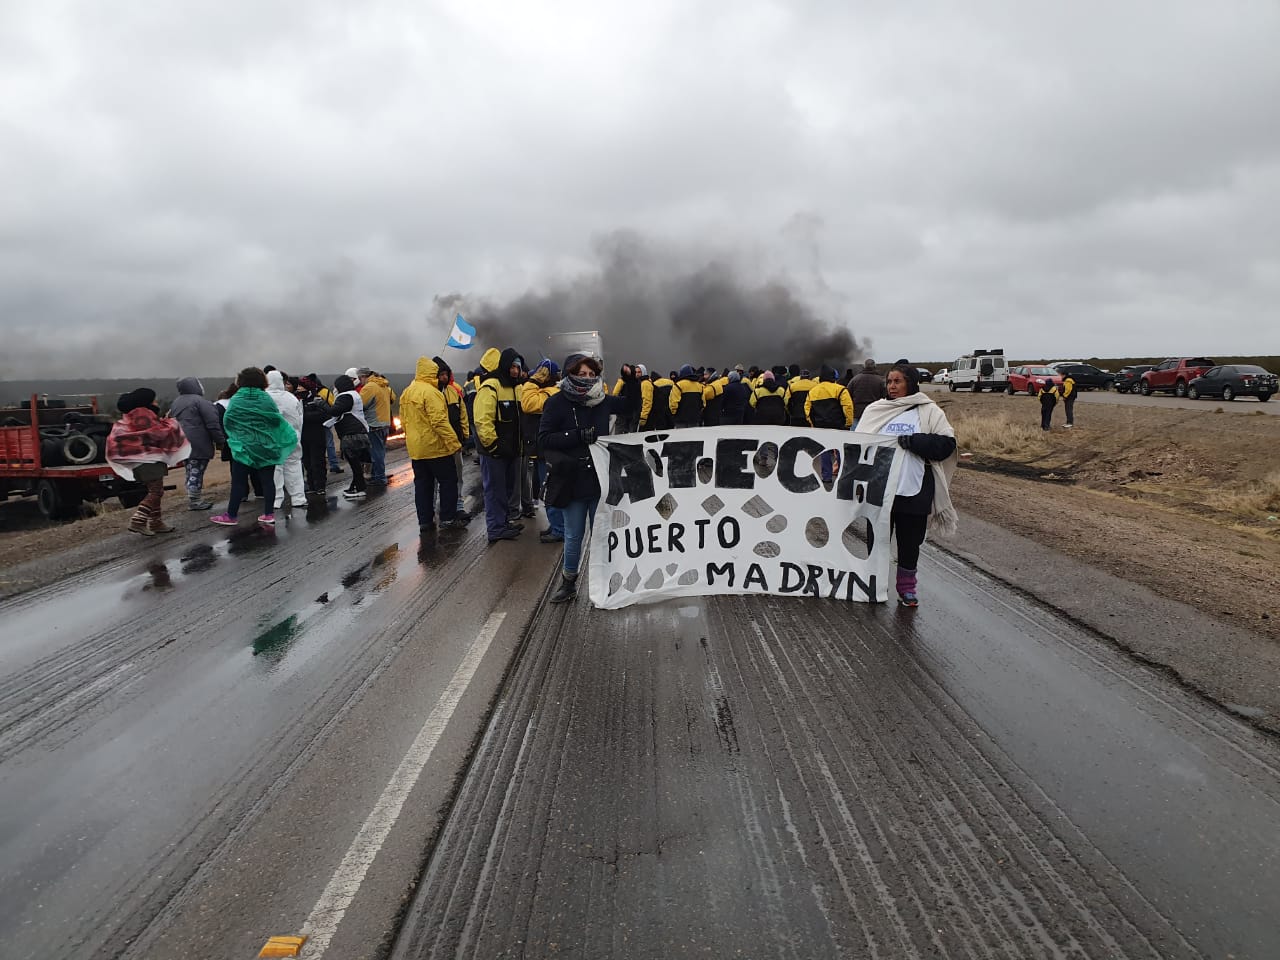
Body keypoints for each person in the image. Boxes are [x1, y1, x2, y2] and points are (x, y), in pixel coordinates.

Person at [856, 364, 958, 607]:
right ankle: (874, 584)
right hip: (879, 489)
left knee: (909, 543)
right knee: (877, 540)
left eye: (897, 381)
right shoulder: (876, 410)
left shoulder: (929, 411)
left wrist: (915, 441)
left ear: (910, 383)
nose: (891, 386)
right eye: (889, 381)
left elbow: (946, 445)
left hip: (914, 490)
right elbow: (857, 444)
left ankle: (907, 589)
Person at [539, 352, 634, 603]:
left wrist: (632, 380)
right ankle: (568, 582)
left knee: (604, 534)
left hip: (601, 480)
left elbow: (630, 406)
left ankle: (607, 583)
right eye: (582, 374)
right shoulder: (556, 402)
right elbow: (544, 439)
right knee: (573, 535)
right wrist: (576, 435)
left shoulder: (602, 401)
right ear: (569, 374)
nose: (588, 378)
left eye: (592, 374)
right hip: (572, 481)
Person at [210, 368, 298, 527]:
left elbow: (228, 420)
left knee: (238, 482)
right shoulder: (266, 398)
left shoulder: (237, 398)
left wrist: (236, 435)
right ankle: (268, 514)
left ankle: (231, 515)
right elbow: (275, 420)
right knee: (267, 481)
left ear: (241, 381)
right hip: (266, 446)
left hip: (243, 447)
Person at [106, 388, 191, 536]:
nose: (156, 402)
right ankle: (138, 521)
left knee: (155, 489)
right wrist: (171, 423)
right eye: (154, 399)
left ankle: (156, 522)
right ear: (146, 401)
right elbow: (157, 433)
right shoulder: (143, 415)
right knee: (156, 491)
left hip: (140, 459)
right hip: (147, 459)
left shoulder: (129, 417)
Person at [400, 356, 465, 532]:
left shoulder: (407, 392)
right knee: (448, 481)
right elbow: (439, 422)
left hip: (417, 450)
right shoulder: (432, 393)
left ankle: (425, 521)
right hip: (436, 448)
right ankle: (448, 518)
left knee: (422, 485)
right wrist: (454, 444)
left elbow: (404, 422)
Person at [473, 346, 526, 542]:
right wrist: (492, 446)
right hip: (494, 452)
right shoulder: (491, 387)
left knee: (508, 490)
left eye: (518, 367)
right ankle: (496, 528)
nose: (515, 370)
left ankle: (503, 522)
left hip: (512, 450)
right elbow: (482, 420)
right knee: (495, 491)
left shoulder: (516, 387)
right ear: (505, 366)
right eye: (512, 366)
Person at [520, 360, 564, 543]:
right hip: (543, 449)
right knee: (549, 489)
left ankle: (559, 529)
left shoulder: (551, 393)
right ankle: (556, 525)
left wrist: (532, 382)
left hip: (549, 451)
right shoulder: (548, 392)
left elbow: (528, 404)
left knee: (551, 490)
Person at [167, 377, 224, 510]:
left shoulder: (176, 402)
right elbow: (213, 423)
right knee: (197, 470)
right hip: (198, 441)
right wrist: (220, 440)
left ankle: (192, 496)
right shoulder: (201, 402)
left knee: (190, 469)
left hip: (181, 441)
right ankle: (195, 500)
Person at [433, 357, 471, 517]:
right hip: (435, 445)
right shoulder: (429, 394)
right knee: (435, 479)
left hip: (455, 443)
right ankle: (434, 507)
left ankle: (458, 505)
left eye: (446, 374)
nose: (444, 377)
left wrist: (464, 437)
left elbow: (463, 415)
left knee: (457, 475)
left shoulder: (454, 392)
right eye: (440, 374)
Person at [264, 370, 306, 511]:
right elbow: (300, 419)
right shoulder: (291, 398)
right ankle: (298, 498)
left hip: (273, 438)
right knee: (294, 466)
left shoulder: (265, 398)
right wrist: (297, 433)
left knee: (276, 468)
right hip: (292, 436)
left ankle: (276, 499)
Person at [324, 374, 371, 498]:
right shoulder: (355, 394)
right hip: (360, 431)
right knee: (357, 464)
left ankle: (360, 488)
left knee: (354, 464)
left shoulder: (345, 397)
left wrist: (322, 405)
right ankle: (355, 487)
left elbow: (334, 411)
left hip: (351, 434)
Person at [358, 367, 396, 485]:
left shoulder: (369, 387)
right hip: (385, 423)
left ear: (364, 376)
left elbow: (361, 404)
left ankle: (379, 477)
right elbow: (393, 398)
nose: (360, 381)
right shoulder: (383, 385)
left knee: (375, 453)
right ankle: (377, 475)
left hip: (374, 424)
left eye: (360, 378)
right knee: (380, 451)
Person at [297, 376, 332, 496]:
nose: (298, 388)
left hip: (317, 436)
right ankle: (311, 485)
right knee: (307, 462)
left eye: (301, 386)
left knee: (317, 462)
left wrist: (304, 417)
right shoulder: (298, 400)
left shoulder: (317, 399)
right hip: (303, 436)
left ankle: (320, 486)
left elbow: (325, 414)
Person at [309, 374, 344, 474]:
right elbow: (333, 404)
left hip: (312, 423)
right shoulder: (325, 392)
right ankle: (334, 465)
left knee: (315, 445)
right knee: (329, 444)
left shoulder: (307, 393)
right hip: (325, 420)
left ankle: (318, 467)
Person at [848, 358, 886, 429]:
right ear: (875, 367)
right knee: (870, 435)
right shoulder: (880, 381)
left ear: (864, 366)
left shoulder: (855, 379)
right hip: (874, 412)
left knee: (854, 436)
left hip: (856, 412)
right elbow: (884, 397)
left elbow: (848, 395)